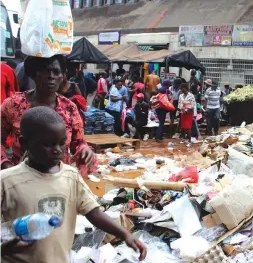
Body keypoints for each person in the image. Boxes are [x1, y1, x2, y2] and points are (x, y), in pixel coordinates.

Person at [0, 107, 147, 263]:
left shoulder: (71, 176)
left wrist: (125, 235)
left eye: (62, 143)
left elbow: (94, 212)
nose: (57, 150)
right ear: (24, 142)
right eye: (48, 144)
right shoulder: (7, 181)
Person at [1, 55, 96, 176]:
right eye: (45, 71)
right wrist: (5, 164)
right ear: (34, 74)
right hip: (21, 179)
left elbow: (78, 142)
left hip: (58, 178)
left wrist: (84, 150)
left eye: (56, 72)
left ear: (62, 76)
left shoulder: (70, 108)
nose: (51, 76)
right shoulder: (12, 105)